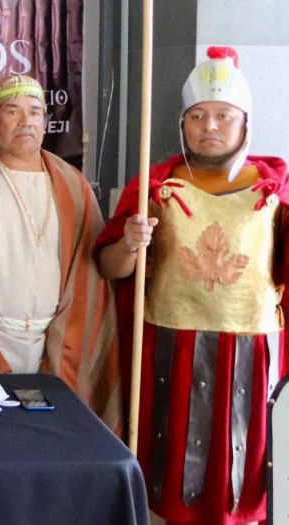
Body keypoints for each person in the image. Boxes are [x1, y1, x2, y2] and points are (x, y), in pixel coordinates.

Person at [96, 47, 286, 523]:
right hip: (172, 350)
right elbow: (109, 268)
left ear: (244, 123)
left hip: (249, 354)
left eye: (223, 115)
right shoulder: (156, 186)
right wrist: (131, 245)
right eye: (198, 116)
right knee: (170, 473)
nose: (210, 126)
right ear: (183, 124)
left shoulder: (275, 192)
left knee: (242, 478)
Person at [0, 75, 121, 427]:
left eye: (35, 112)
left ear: (45, 123)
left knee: (51, 438)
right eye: (12, 111)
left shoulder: (73, 186)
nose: (26, 121)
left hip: (56, 339)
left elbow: (89, 275)